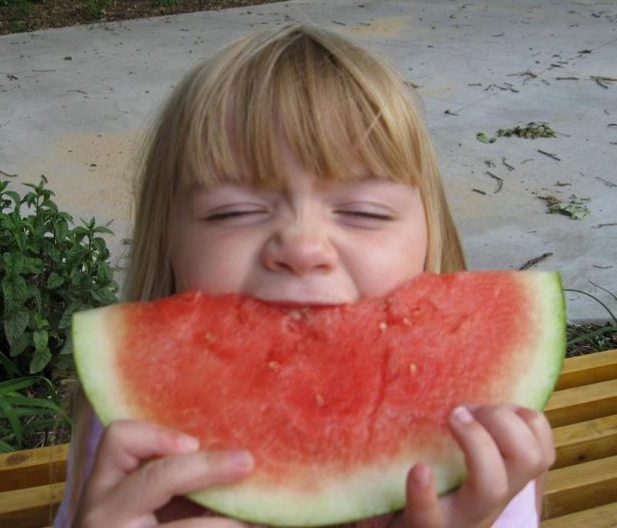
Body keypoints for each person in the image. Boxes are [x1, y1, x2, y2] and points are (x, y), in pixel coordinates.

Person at [53, 23, 555, 528]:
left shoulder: (483, 447)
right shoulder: (123, 433)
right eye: (232, 211)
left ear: (429, 232)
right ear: (168, 239)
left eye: (364, 211)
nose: (302, 246)